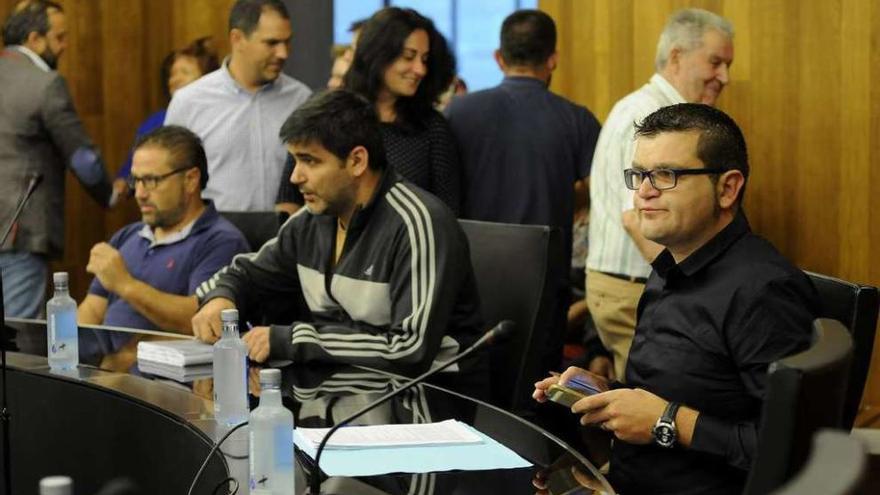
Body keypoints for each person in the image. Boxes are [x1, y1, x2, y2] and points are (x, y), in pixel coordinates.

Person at [535, 104, 818, 495]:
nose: (644, 191)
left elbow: (794, 450)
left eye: (666, 175)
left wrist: (666, 421)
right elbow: (688, 391)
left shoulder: (762, 291)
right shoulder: (670, 264)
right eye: (638, 175)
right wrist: (609, 395)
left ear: (727, 188)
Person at [191, 90, 483, 373]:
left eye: (310, 161)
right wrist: (222, 297)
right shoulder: (310, 221)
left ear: (357, 161)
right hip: (344, 391)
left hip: (434, 398)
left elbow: (409, 349)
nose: (295, 177)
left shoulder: (419, 222)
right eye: (295, 160)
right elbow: (244, 273)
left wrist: (291, 340)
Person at [446, 9, 600, 373]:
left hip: (471, 280)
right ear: (553, 59)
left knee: (475, 387)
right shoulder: (577, 119)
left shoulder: (458, 112)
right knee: (533, 393)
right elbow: (602, 194)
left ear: (499, 58)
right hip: (546, 288)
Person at [586, 8, 735, 380]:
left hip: (635, 283)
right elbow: (636, 216)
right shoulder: (651, 116)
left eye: (727, 65)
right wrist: (692, 288)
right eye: (715, 62)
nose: (724, 77)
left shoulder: (658, 111)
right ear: (676, 57)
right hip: (633, 288)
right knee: (650, 404)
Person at [77, 126, 249, 371]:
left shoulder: (221, 242)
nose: (140, 193)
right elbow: (91, 311)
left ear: (190, 180)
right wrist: (73, 360)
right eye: (136, 180)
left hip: (161, 385)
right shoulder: (128, 235)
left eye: (151, 180)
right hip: (103, 376)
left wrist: (126, 285)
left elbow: (201, 322)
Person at [279, 7, 461, 214]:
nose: (420, 69)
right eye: (409, 57)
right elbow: (289, 197)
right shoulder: (325, 112)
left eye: (425, 59)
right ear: (379, 54)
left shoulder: (432, 129)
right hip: (323, 243)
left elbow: (448, 214)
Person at [0, 0, 113, 318]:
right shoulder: (45, 83)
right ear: (35, 39)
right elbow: (84, 160)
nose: (64, 47)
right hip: (20, 233)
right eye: (60, 37)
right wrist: (111, 193)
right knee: (17, 343)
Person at [164, 0, 311, 213]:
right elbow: (171, 181)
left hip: (286, 238)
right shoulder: (189, 103)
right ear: (238, 39)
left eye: (287, 42)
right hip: (215, 241)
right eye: (271, 43)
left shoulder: (301, 100)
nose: (283, 53)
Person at [113, 37, 220, 198]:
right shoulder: (156, 122)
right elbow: (133, 168)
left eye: (184, 72)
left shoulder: (220, 117)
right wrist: (124, 183)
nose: (174, 80)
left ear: (206, 78)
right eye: (172, 74)